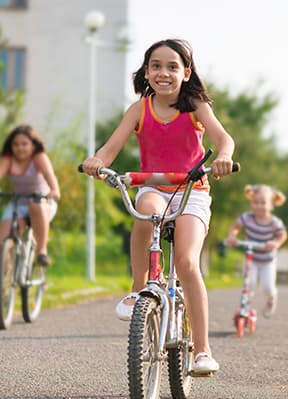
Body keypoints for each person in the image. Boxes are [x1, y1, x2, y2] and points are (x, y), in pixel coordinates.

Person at [80, 38, 235, 375]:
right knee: (145, 215)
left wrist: (223, 157)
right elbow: (111, 148)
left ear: (186, 72)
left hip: (191, 190)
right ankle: (140, 288)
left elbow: (224, 139)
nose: (163, 72)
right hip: (153, 187)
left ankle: (203, 351)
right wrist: (97, 160)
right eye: (156, 66)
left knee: (187, 261)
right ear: (146, 72)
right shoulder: (139, 109)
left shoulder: (196, 106)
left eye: (172, 66)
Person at [0, 124, 61, 309]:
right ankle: (1, 290)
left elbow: (49, 175)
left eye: (24, 144)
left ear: (32, 145)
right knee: (1, 243)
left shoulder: (39, 158)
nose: (20, 148)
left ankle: (41, 252)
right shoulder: (8, 160)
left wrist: (54, 189)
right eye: (16, 144)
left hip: (43, 201)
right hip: (19, 203)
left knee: (35, 205)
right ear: (11, 146)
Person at [225, 184, 287, 318]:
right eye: (255, 202)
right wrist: (233, 236)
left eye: (263, 203)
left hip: (267, 260)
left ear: (271, 205)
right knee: (249, 283)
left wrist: (275, 243)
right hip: (250, 259)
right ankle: (246, 306)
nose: (259, 206)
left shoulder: (274, 222)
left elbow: (282, 235)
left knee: (267, 286)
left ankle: (271, 299)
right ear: (251, 202)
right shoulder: (247, 218)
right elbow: (235, 227)